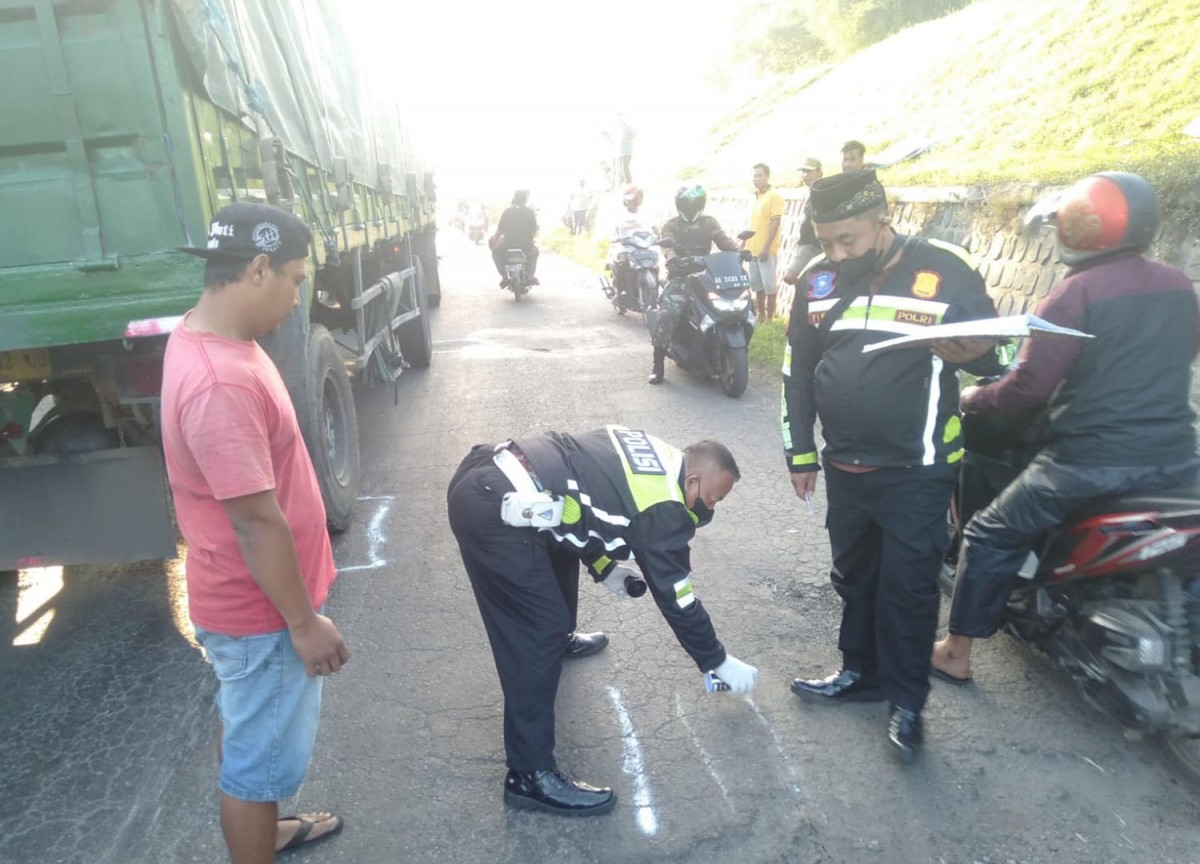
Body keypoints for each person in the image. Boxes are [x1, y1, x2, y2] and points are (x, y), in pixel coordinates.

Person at [931, 172, 1200, 685]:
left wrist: (975, 396)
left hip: (1088, 461)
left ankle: (955, 652)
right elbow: (1181, 352)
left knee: (988, 532)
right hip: (1176, 457)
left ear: (1086, 228)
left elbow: (1027, 389)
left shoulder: (1073, 295)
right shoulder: (1177, 284)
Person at [782, 169, 1006, 763]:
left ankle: (907, 703)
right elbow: (796, 370)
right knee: (854, 578)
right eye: (826, 240)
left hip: (919, 468)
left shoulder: (945, 269)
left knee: (907, 590)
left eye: (848, 240)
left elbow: (997, 355)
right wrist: (800, 451)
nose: (836, 253)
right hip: (844, 468)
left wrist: (980, 354)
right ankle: (861, 673)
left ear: (883, 220)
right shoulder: (817, 278)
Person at [162, 202, 350, 863]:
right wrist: (303, 623)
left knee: (249, 732)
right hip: (263, 614)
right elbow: (252, 517)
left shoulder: (213, 340)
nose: (298, 298)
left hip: (251, 607)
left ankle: (267, 832)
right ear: (259, 267)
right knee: (254, 763)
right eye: (296, 280)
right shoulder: (219, 380)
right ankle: (256, 840)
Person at [447, 428, 758, 816]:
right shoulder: (664, 506)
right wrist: (717, 661)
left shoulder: (655, 451)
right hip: (495, 507)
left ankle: (557, 642)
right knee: (537, 629)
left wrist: (605, 566)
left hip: (497, 471)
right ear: (693, 480)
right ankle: (528, 775)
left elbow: (583, 508)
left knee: (555, 565)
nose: (712, 507)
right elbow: (679, 599)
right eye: (714, 497)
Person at [648, 185, 740, 385]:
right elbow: (668, 244)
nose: (690, 207)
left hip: (705, 276)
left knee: (729, 304)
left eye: (694, 203)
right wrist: (671, 256)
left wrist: (738, 251)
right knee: (669, 314)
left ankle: (718, 349)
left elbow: (723, 241)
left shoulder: (709, 223)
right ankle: (658, 365)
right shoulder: (672, 224)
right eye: (686, 203)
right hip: (680, 277)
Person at [746, 163, 785, 320]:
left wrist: (766, 248)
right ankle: (761, 315)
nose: (757, 178)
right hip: (752, 249)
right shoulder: (755, 197)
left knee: (770, 285)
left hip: (766, 250)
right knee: (757, 285)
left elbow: (775, 222)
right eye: (754, 175)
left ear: (767, 176)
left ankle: (770, 317)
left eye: (760, 175)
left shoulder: (774, 196)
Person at [782, 157, 824, 286]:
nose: (805, 175)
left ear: (819, 172)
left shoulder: (821, 192)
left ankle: (808, 292)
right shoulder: (812, 191)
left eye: (809, 172)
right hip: (806, 244)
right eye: (803, 172)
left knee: (789, 277)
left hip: (813, 246)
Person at [491, 189, 540, 288]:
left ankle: (504, 277)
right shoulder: (529, 212)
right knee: (534, 252)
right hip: (526, 245)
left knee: (495, 252)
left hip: (508, 244)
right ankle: (530, 275)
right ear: (525, 199)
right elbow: (534, 229)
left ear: (514, 199)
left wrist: (495, 238)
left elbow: (500, 230)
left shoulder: (507, 212)